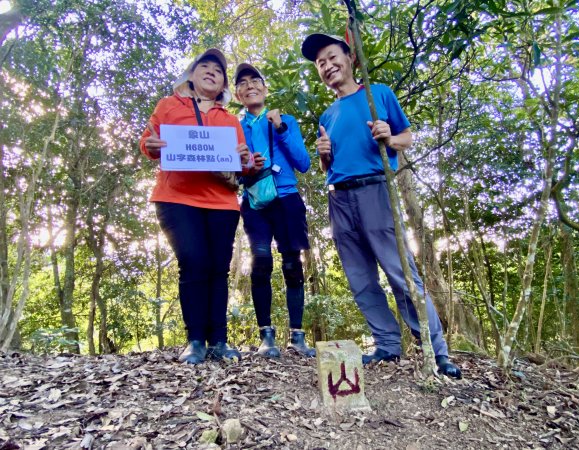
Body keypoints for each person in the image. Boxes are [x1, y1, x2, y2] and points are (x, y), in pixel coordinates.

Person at [301, 33, 461, 378]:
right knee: (360, 279)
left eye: (332, 57)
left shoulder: (378, 95)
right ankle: (387, 345)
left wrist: (388, 136)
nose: (327, 66)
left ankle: (435, 350)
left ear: (350, 57)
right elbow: (332, 167)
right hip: (339, 198)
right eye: (320, 63)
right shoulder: (327, 116)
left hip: (375, 191)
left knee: (401, 273)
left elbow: (406, 139)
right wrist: (324, 157)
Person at [140, 49, 252, 364]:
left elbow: (242, 165)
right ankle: (195, 340)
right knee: (193, 261)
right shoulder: (167, 106)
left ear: (223, 86)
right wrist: (149, 146)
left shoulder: (230, 119)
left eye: (218, 70)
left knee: (218, 267)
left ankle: (218, 340)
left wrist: (244, 159)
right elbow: (147, 142)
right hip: (176, 198)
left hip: (221, 202)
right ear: (191, 74)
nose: (211, 71)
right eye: (204, 66)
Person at [233, 63, 315, 358]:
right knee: (261, 260)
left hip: (287, 197)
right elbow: (231, 174)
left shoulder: (286, 120)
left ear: (265, 89)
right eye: (243, 83)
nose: (250, 86)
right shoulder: (234, 127)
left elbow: (303, 163)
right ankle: (266, 336)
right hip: (254, 202)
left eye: (256, 81)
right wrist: (245, 167)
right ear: (238, 94)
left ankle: (297, 335)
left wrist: (280, 127)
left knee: (292, 263)